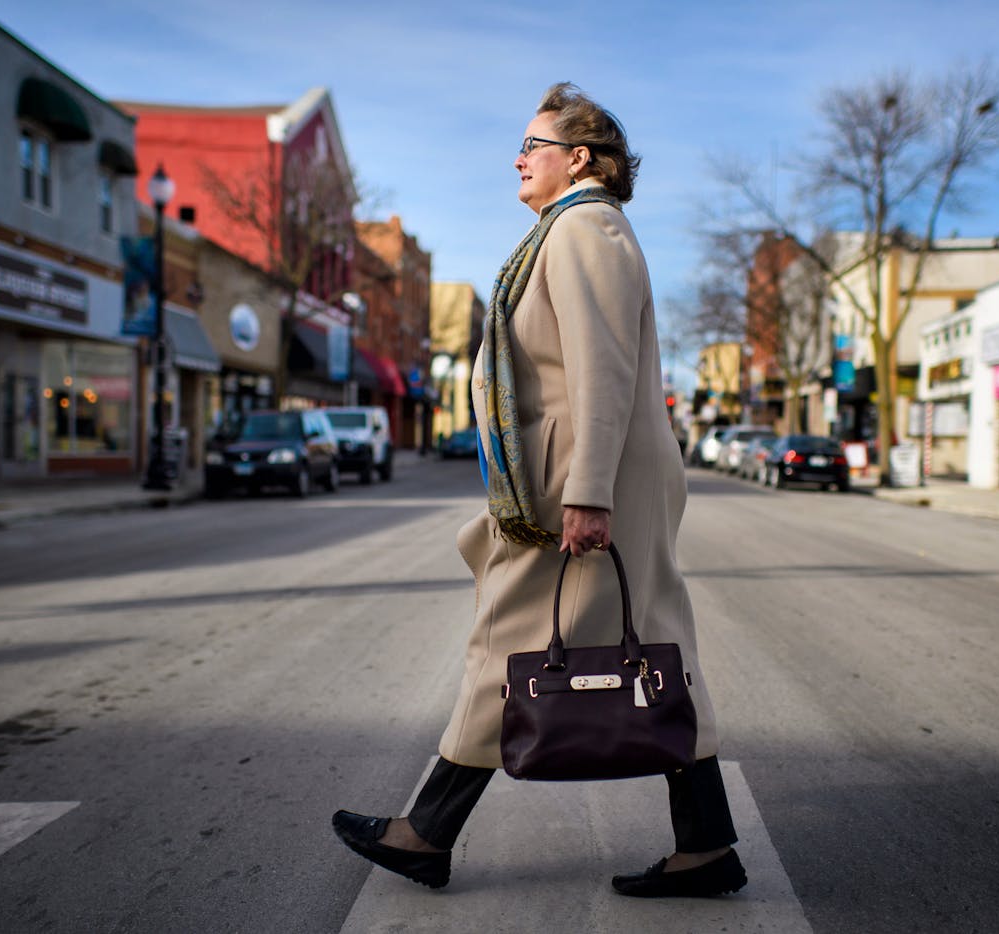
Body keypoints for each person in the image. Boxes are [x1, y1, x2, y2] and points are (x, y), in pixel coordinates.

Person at [332, 82, 746, 899]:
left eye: (532, 143)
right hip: (584, 476)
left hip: (576, 484)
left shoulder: (585, 228)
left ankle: (427, 832)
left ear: (578, 158)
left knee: (510, 645)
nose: (519, 158)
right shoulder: (577, 230)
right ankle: (705, 847)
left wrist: (588, 493)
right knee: (655, 647)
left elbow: (603, 367)